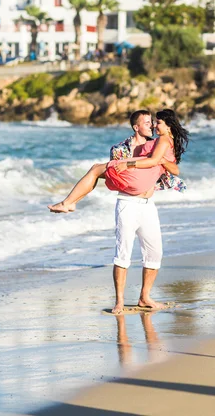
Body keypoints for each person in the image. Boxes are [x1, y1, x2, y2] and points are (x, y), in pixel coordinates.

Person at [48, 109, 189, 314]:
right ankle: (120, 301)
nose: (152, 125)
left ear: (166, 125)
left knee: (154, 253)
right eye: (148, 122)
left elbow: (172, 168)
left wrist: (154, 161)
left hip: (147, 204)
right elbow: (144, 162)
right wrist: (129, 161)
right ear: (136, 127)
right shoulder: (122, 148)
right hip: (127, 202)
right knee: (123, 253)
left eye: (155, 122)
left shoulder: (162, 141)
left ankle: (144, 297)